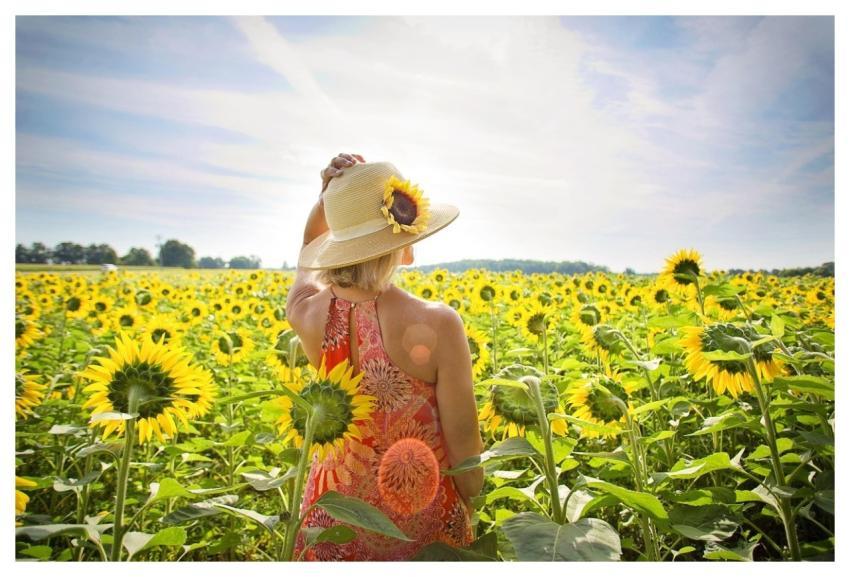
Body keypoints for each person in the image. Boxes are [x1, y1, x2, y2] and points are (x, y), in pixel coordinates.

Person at [285, 153, 484, 560]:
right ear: (404, 246)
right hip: (419, 520)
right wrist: (472, 507)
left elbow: (306, 255)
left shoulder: (306, 313)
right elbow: (464, 441)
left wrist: (327, 202)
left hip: (331, 519)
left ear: (336, 245)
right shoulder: (440, 323)